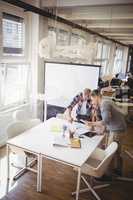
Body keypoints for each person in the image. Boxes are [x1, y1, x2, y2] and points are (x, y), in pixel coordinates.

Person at [86, 89, 127, 175]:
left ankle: (108, 174)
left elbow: (105, 121)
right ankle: (118, 171)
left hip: (116, 130)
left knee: (110, 154)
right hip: (119, 128)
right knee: (116, 151)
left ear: (96, 97)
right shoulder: (106, 101)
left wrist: (91, 123)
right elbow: (108, 120)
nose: (93, 102)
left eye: (93, 100)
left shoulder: (104, 104)